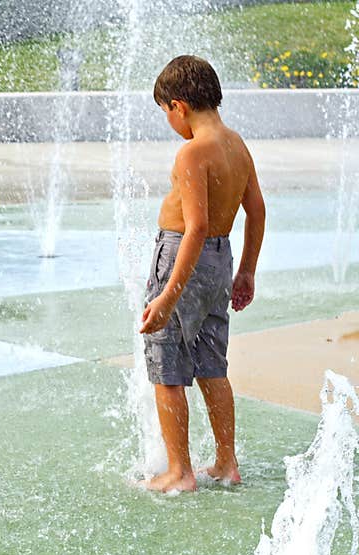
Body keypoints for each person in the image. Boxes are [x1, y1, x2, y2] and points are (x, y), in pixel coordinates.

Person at [139, 55, 266, 492]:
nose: (170, 123)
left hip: (182, 259)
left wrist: (167, 296)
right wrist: (246, 270)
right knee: (212, 363)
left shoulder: (192, 152)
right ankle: (226, 463)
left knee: (166, 365)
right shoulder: (236, 144)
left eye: (166, 114)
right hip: (221, 259)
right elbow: (256, 212)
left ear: (179, 106)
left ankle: (179, 472)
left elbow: (193, 227)